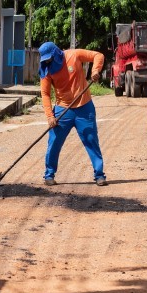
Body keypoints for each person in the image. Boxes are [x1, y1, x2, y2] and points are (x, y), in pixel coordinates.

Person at [38, 41, 107, 186]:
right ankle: (49, 175)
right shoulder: (46, 70)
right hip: (63, 109)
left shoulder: (73, 55)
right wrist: (50, 116)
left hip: (84, 107)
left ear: (56, 53)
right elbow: (45, 93)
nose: (49, 62)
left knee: (91, 140)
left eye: (50, 58)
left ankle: (99, 174)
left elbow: (98, 55)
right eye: (46, 60)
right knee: (54, 142)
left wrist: (95, 71)